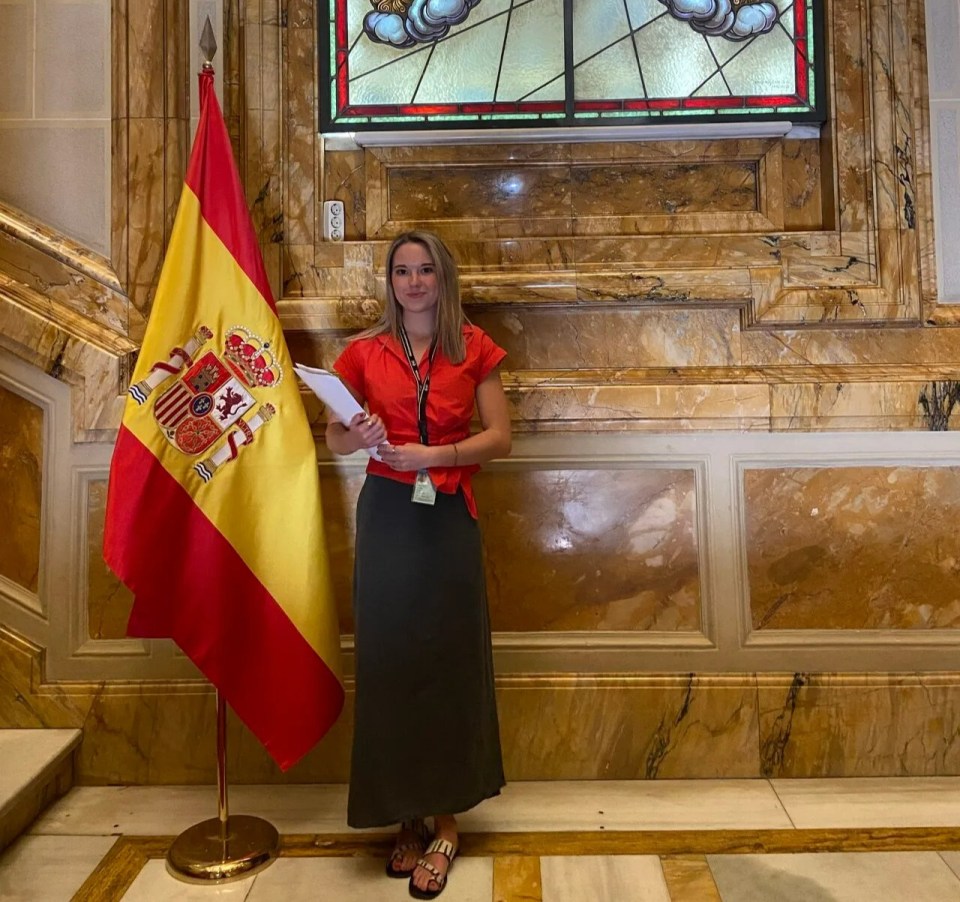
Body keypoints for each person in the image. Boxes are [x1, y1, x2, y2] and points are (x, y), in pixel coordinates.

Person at [325, 230, 511, 899]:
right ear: (390, 281)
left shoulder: (474, 347)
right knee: (391, 658)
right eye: (402, 271)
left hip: (448, 518)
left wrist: (434, 457)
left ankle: (446, 822)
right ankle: (402, 812)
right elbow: (335, 434)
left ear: (442, 277)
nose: (413, 282)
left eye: (425, 269)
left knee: (447, 661)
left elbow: (501, 437)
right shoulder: (365, 352)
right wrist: (362, 433)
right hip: (388, 519)